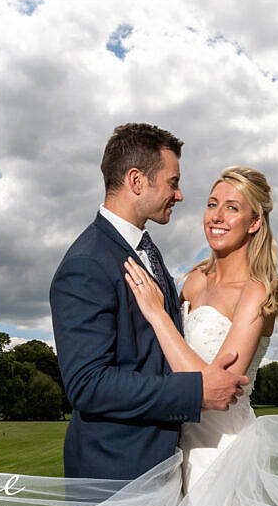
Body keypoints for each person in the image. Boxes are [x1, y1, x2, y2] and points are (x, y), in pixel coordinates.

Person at [49, 123, 249, 483]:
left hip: (168, 464)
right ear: (137, 181)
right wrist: (196, 389)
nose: (180, 194)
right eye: (173, 182)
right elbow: (87, 384)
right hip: (118, 474)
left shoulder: (143, 249)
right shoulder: (86, 263)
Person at [123, 166, 278, 506]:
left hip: (222, 451)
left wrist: (156, 312)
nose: (216, 216)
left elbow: (217, 390)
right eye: (212, 204)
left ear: (255, 223)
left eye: (232, 208)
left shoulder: (257, 293)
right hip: (172, 446)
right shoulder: (193, 280)